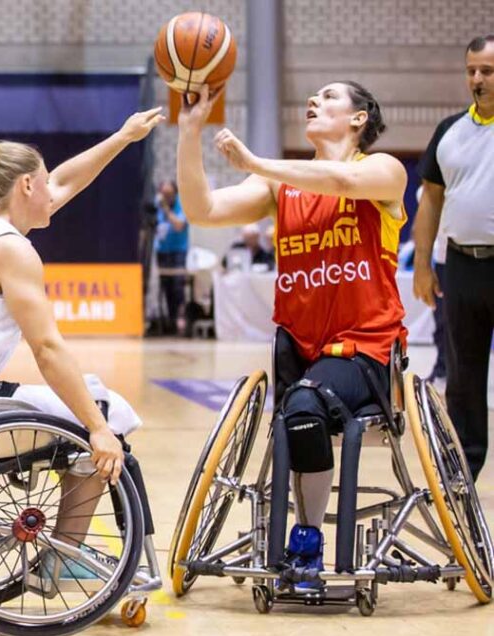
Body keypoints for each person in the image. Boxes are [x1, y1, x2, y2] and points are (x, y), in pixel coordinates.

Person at [177, 80, 407, 589]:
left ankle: (307, 541)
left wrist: (257, 163)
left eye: (328, 97)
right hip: (300, 347)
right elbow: (203, 210)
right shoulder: (282, 189)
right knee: (300, 411)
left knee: (304, 407)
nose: (313, 101)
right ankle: (300, 523)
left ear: (359, 118)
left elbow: (340, 184)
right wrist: (190, 131)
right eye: (312, 97)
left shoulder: (383, 172)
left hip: (362, 348)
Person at [0, 107, 164, 574]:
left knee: (92, 393)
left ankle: (59, 550)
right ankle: (64, 560)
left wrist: (121, 137)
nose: (52, 189)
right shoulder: (11, 249)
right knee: (108, 410)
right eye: (43, 180)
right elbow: (47, 350)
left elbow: (64, 183)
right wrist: (97, 427)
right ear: (25, 187)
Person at [413, 35, 494, 478]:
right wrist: (423, 264)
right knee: (463, 377)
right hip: (461, 265)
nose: (477, 79)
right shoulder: (449, 131)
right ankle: (461, 473)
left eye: (487, 70)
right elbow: (430, 201)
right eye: (472, 71)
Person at [153, 180, 188, 334]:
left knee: (177, 286)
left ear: (175, 193)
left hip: (178, 251)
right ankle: (169, 321)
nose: (166, 197)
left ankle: (181, 319)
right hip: (162, 251)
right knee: (165, 287)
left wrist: (166, 210)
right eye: (163, 194)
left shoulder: (182, 205)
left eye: (169, 194)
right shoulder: (157, 205)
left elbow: (179, 225)